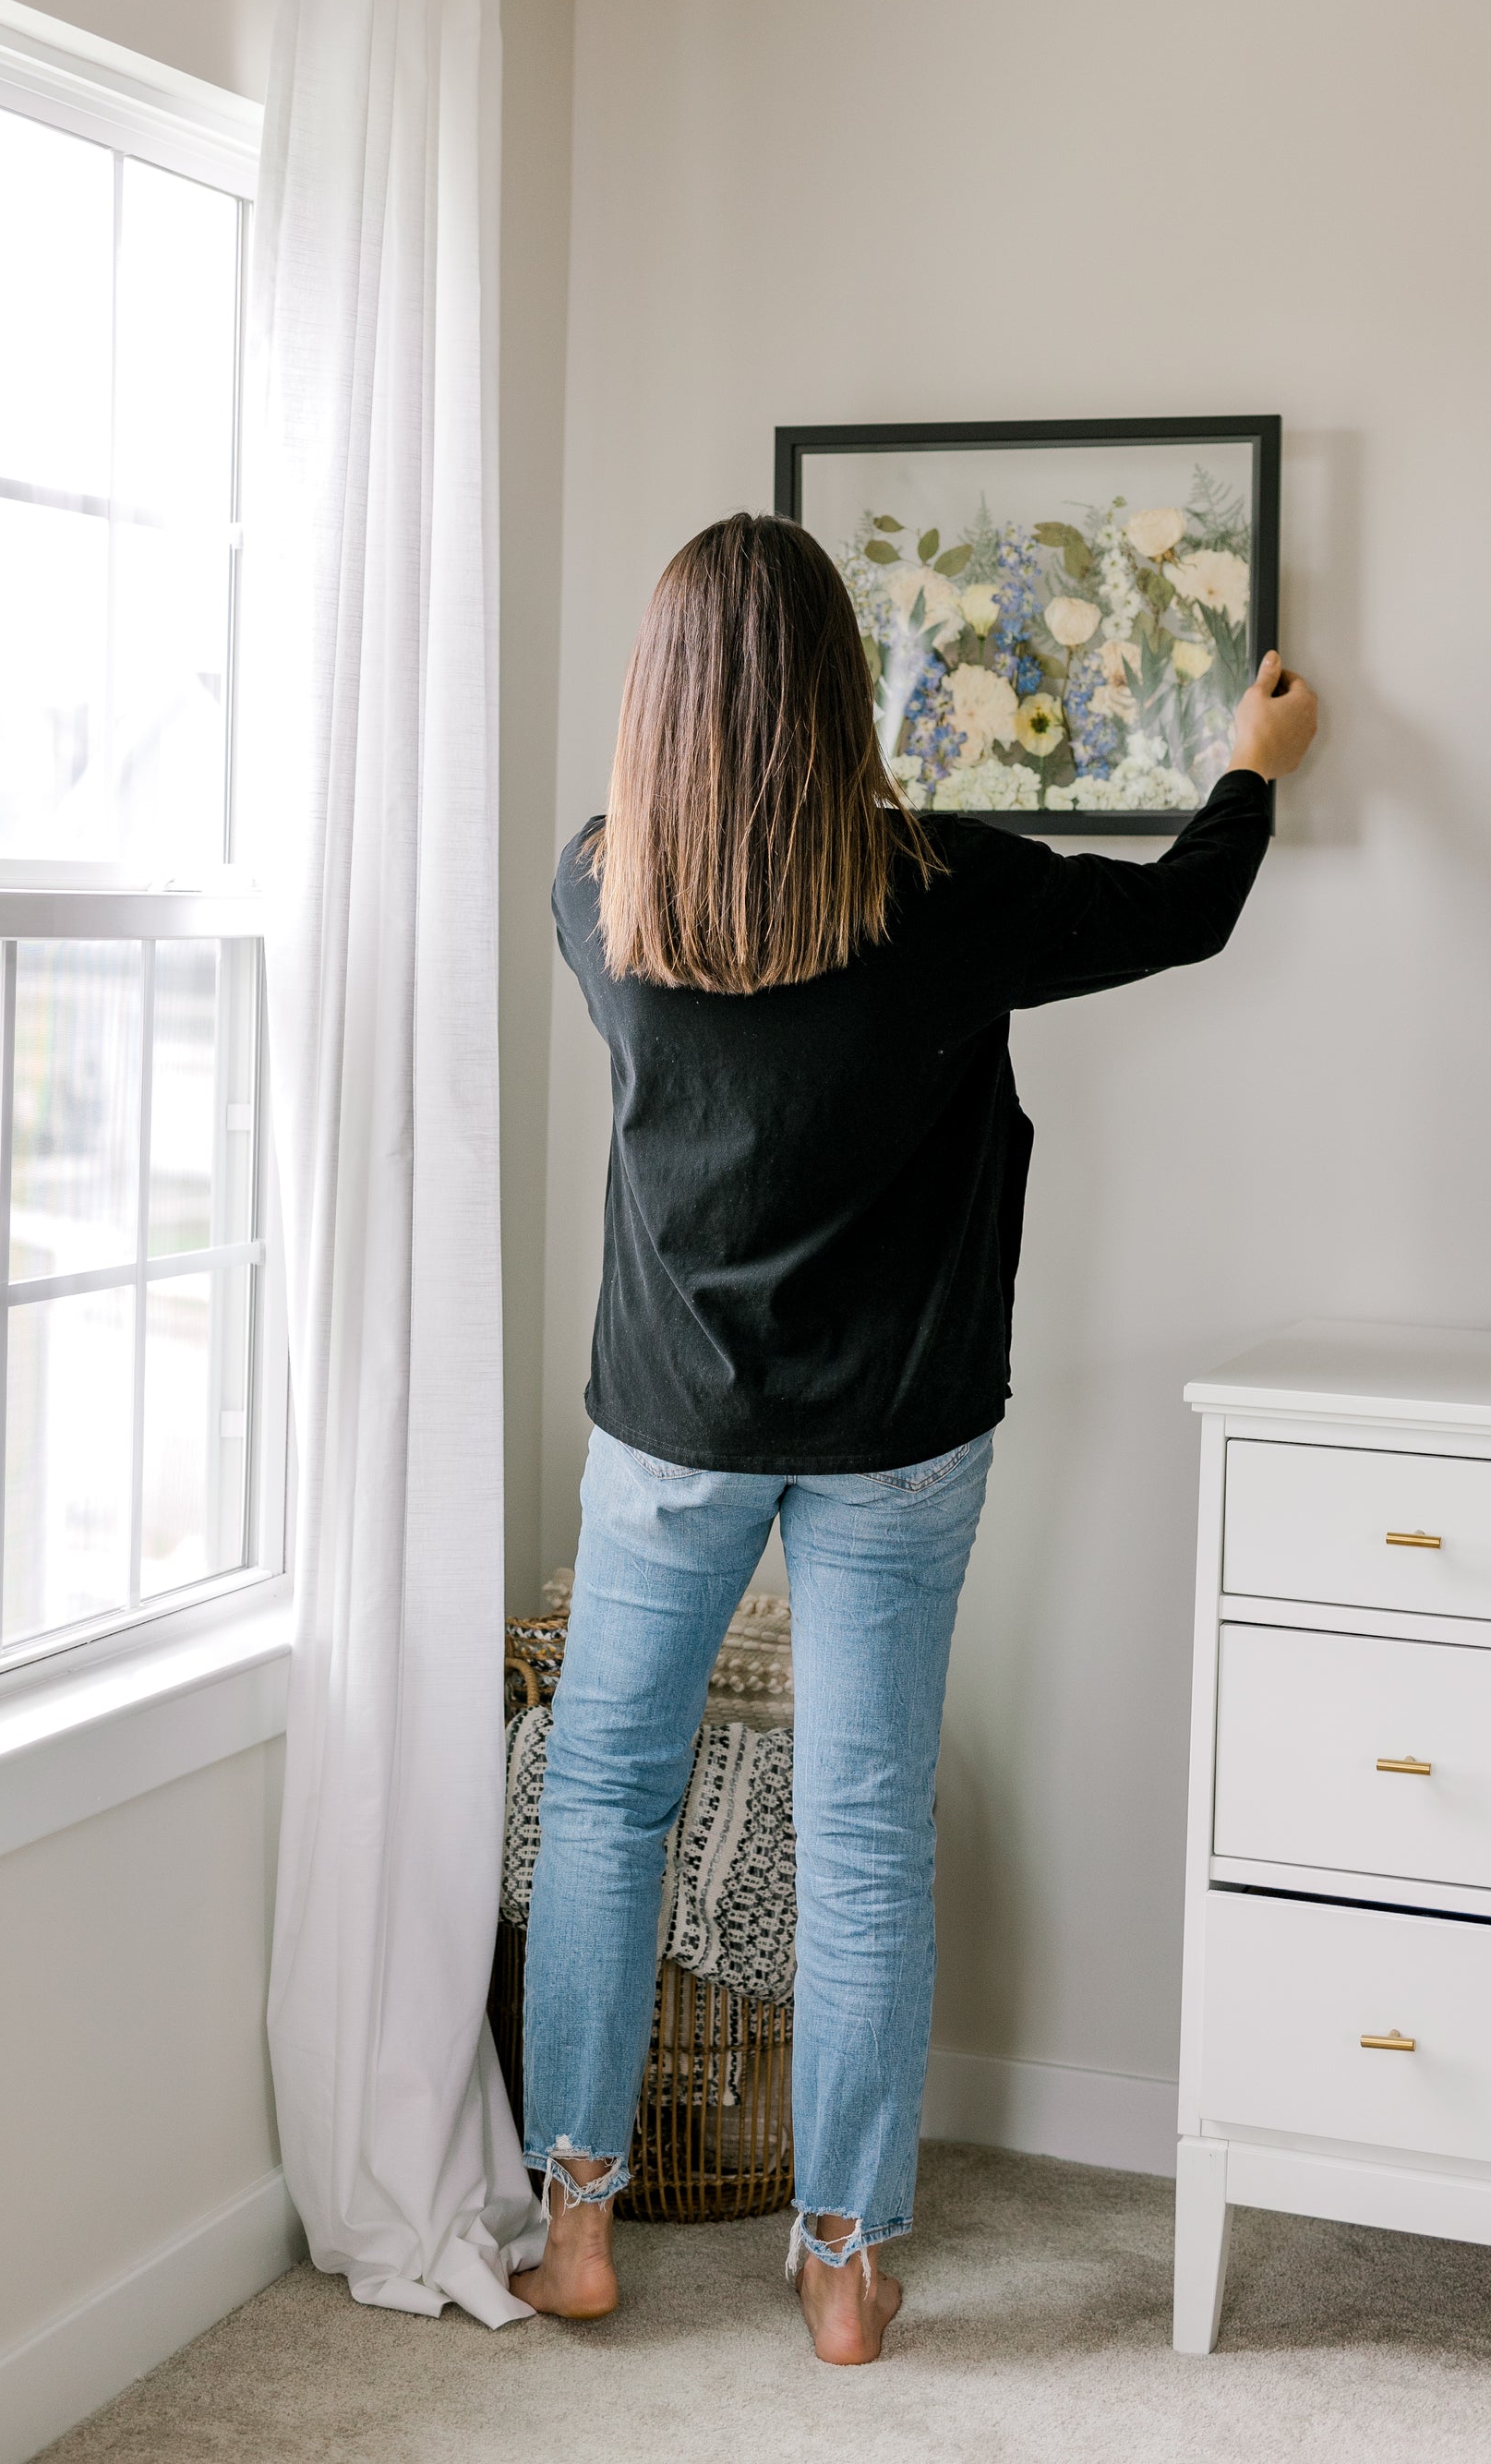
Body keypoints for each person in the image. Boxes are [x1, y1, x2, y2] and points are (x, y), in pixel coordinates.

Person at [511, 511, 1317, 2362]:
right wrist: (1246, 771)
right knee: (862, 1830)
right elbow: (1179, 910)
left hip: (671, 1432)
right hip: (894, 1434)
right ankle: (846, 2266)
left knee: (601, 1802)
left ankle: (574, 2224)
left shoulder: (594, 892)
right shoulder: (941, 896)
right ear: (839, 690)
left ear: (661, 702)